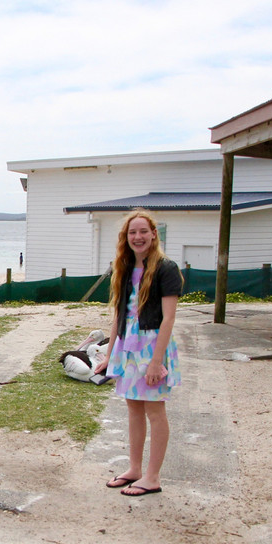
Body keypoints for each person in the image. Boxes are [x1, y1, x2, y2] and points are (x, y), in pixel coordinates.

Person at [94, 209, 182, 497]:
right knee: (133, 407)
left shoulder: (166, 268)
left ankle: (153, 476)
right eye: (133, 232)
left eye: (144, 231)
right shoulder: (124, 267)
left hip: (152, 346)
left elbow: (168, 319)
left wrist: (157, 361)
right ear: (126, 237)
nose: (138, 237)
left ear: (154, 234)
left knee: (155, 410)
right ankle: (134, 469)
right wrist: (109, 355)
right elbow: (119, 315)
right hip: (127, 346)